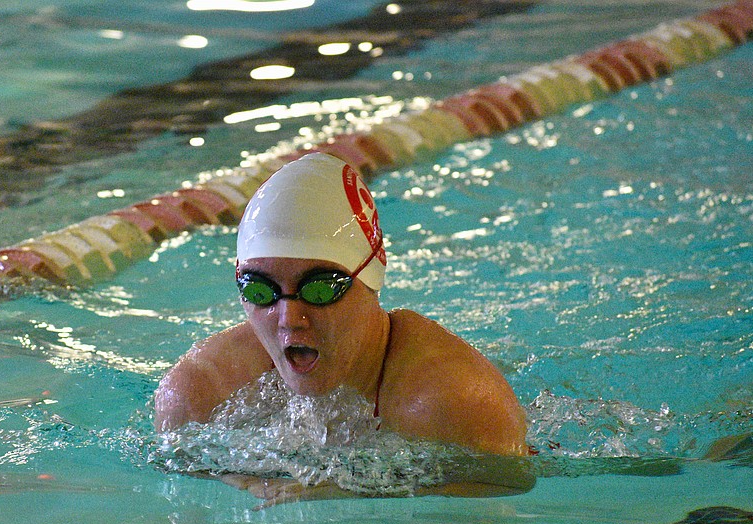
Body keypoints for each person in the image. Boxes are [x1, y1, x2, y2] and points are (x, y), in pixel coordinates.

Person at [154, 152, 532, 502]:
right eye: (261, 289)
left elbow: (513, 483)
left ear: (369, 279)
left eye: (319, 290)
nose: (289, 319)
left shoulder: (452, 402)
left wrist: (355, 492)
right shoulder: (200, 394)